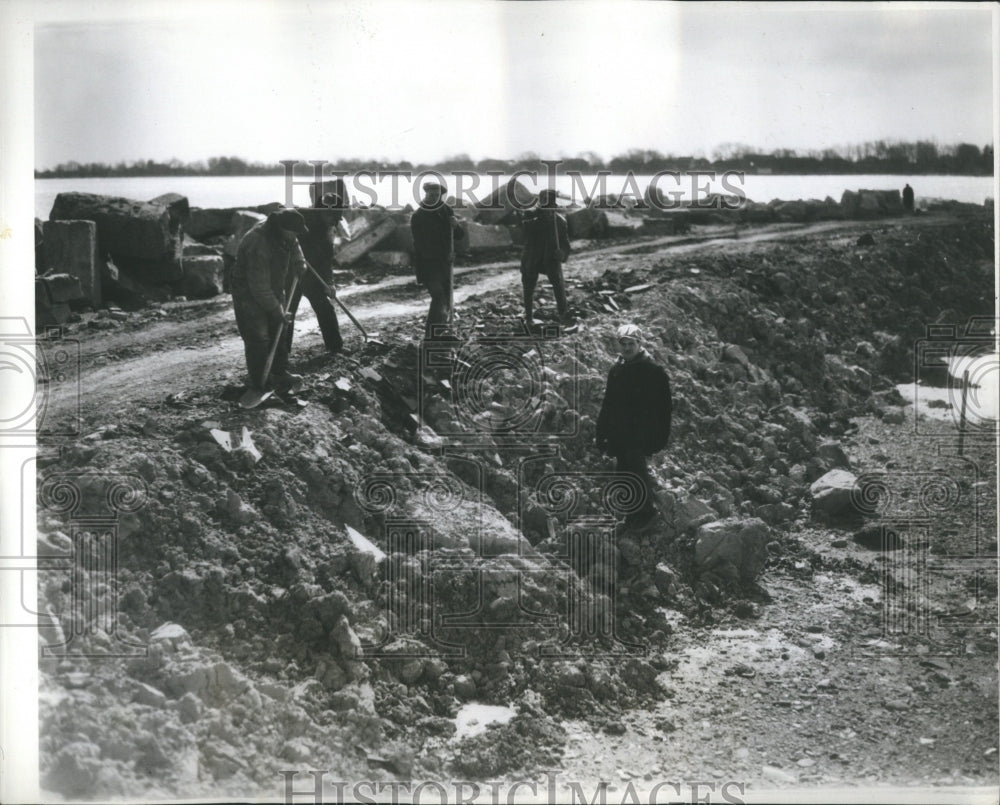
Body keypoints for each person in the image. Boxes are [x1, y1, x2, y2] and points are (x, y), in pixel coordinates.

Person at [596, 324, 672, 529]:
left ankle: (647, 514)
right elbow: (608, 403)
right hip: (619, 434)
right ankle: (633, 516)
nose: (628, 348)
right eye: (624, 344)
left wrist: (659, 438)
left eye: (632, 344)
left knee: (637, 471)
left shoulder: (653, 371)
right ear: (619, 346)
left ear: (640, 344)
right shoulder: (617, 370)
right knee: (623, 473)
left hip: (640, 435)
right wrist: (601, 433)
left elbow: (664, 409)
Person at [231, 208, 309, 397]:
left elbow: (295, 243)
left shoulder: (283, 232)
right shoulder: (258, 243)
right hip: (248, 293)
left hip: (273, 287)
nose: (295, 236)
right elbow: (259, 288)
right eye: (293, 232)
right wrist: (277, 310)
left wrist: (300, 261)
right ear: (282, 228)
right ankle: (259, 382)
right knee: (258, 337)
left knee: (278, 331)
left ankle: (279, 373)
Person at [285, 179, 352, 355]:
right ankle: (281, 355)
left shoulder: (328, 228)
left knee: (325, 307)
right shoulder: (299, 217)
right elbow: (283, 237)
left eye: (337, 217)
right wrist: (295, 256)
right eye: (331, 216)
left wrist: (329, 283)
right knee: (287, 312)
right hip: (291, 271)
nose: (333, 221)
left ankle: (335, 346)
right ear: (322, 211)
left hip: (313, 274)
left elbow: (326, 259)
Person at [410, 180, 464, 339]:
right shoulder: (418, 216)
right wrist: (444, 254)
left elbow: (459, 236)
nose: (434, 198)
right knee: (438, 296)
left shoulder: (446, 210)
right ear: (425, 194)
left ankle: (440, 331)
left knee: (447, 298)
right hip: (427, 263)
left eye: (437, 195)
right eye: (431, 195)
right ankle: (430, 335)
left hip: (445, 264)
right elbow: (420, 245)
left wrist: (456, 225)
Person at [520, 188, 571, 326]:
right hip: (532, 257)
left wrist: (563, 253)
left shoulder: (560, 222)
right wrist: (545, 217)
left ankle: (563, 315)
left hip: (551, 258)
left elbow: (565, 244)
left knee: (558, 284)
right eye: (545, 203)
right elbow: (528, 230)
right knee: (529, 286)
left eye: (551, 203)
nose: (549, 206)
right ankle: (529, 318)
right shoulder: (529, 215)